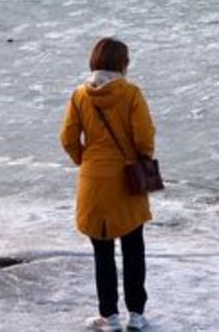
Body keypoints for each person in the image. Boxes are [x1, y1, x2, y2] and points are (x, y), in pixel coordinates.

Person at [60, 37, 155, 331]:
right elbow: (144, 138)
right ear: (122, 63)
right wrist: (142, 159)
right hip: (126, 180)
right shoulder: (131, 94)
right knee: (133, 248)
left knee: (102, 252)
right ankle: (136, 316)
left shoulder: (79, 95)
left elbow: (67, 137)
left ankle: (110, 317)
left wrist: (85, 160)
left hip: (93, 182)